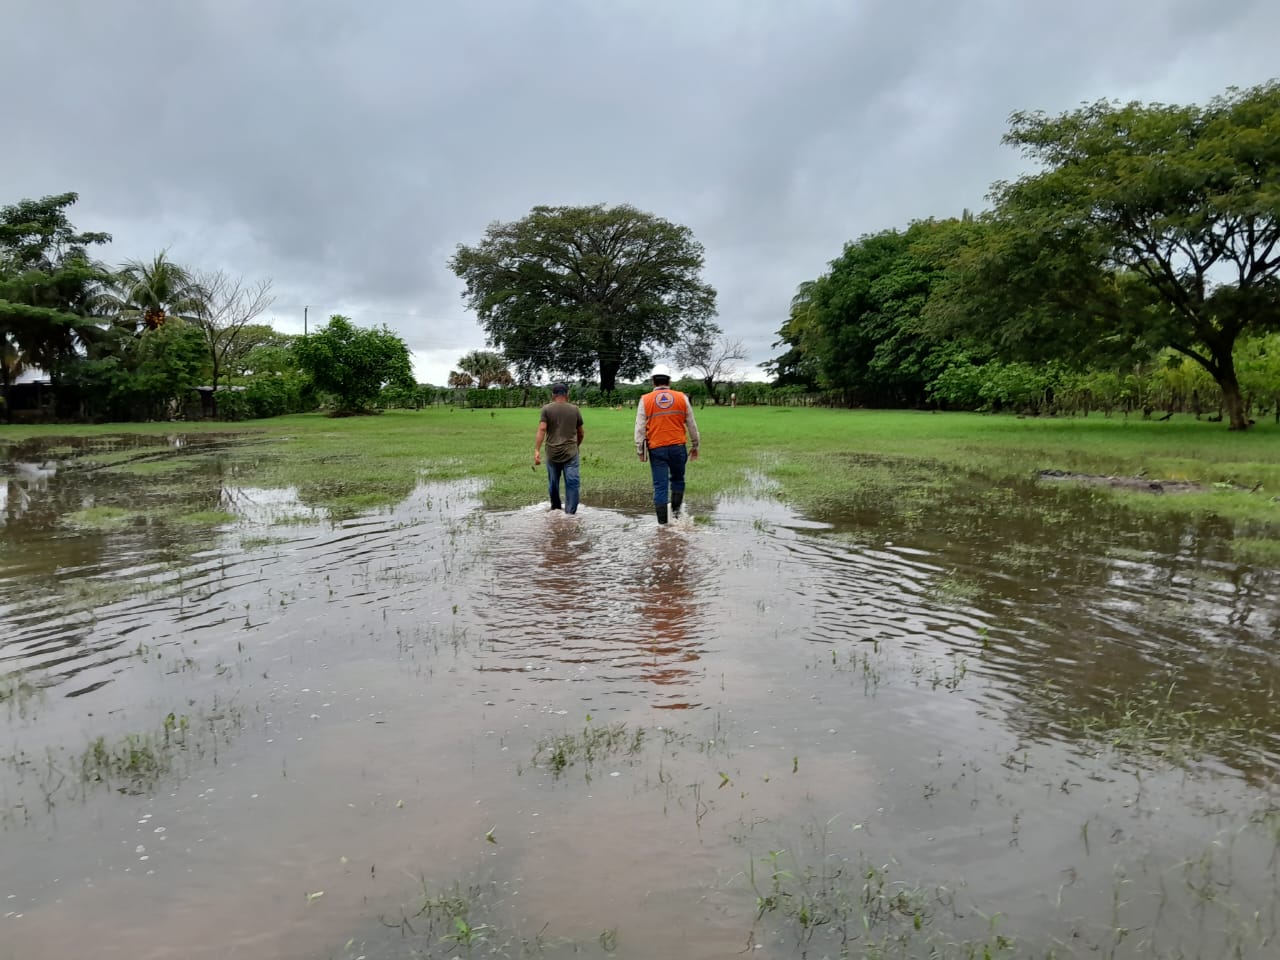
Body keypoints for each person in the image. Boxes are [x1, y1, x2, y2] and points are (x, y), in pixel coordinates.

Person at [634, 367, 700, 525]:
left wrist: (640, 450)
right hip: (678, 446)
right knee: (678, 480)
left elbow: (639, 427)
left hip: (657, 448)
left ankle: (662, 525)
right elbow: (691, 423)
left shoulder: (646, 399)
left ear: (653, 381)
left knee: (660, 486)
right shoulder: (681, 398)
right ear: (669, 381)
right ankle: (676, 516)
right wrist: (695, 444)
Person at [534, 382, 584, 513]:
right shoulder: (575, 409)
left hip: (552, 452)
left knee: (553, 483)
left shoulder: (546, 409)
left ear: (553, 395)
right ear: (567, 395)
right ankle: (570, 514)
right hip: (571, 453)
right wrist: (576, 445)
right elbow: (581, 432)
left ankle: (555, 508)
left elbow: (542, 429)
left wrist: (537, 450)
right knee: (572, 483)